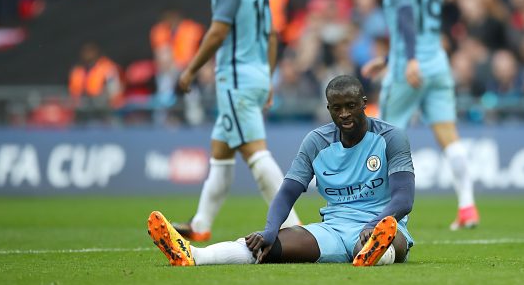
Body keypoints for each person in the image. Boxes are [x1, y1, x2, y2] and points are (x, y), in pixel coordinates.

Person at [148, 75, 415, 266]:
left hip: (381, 224)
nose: (344, 114)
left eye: (350, 106)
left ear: (364, 103)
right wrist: (270, 229)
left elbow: (403, 199)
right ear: (328, 109)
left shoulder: (391, 137)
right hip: (333, 229)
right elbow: (287, 192)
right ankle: (193, 255)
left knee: (382, 242)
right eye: (337, 108)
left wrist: (372, 225)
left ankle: (375, 251)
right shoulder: (316, 142)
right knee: (265, 248)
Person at [171, 0, 300, 241]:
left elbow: (217, 32)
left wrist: (189, 70)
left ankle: (293, 226)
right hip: (256, 75)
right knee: (221, 153)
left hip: (236, 78)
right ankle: (200, 224)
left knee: (256, 153)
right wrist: (268, 77)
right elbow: (271, 34)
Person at [362, 0, 479, 230]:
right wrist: (388, 57)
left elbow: (405, 17)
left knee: (386, 138)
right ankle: (467, 206)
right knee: (449, 136)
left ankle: (392, 214)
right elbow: (424, 29)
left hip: (409, 69)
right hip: (437, 65)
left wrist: (407, 59)